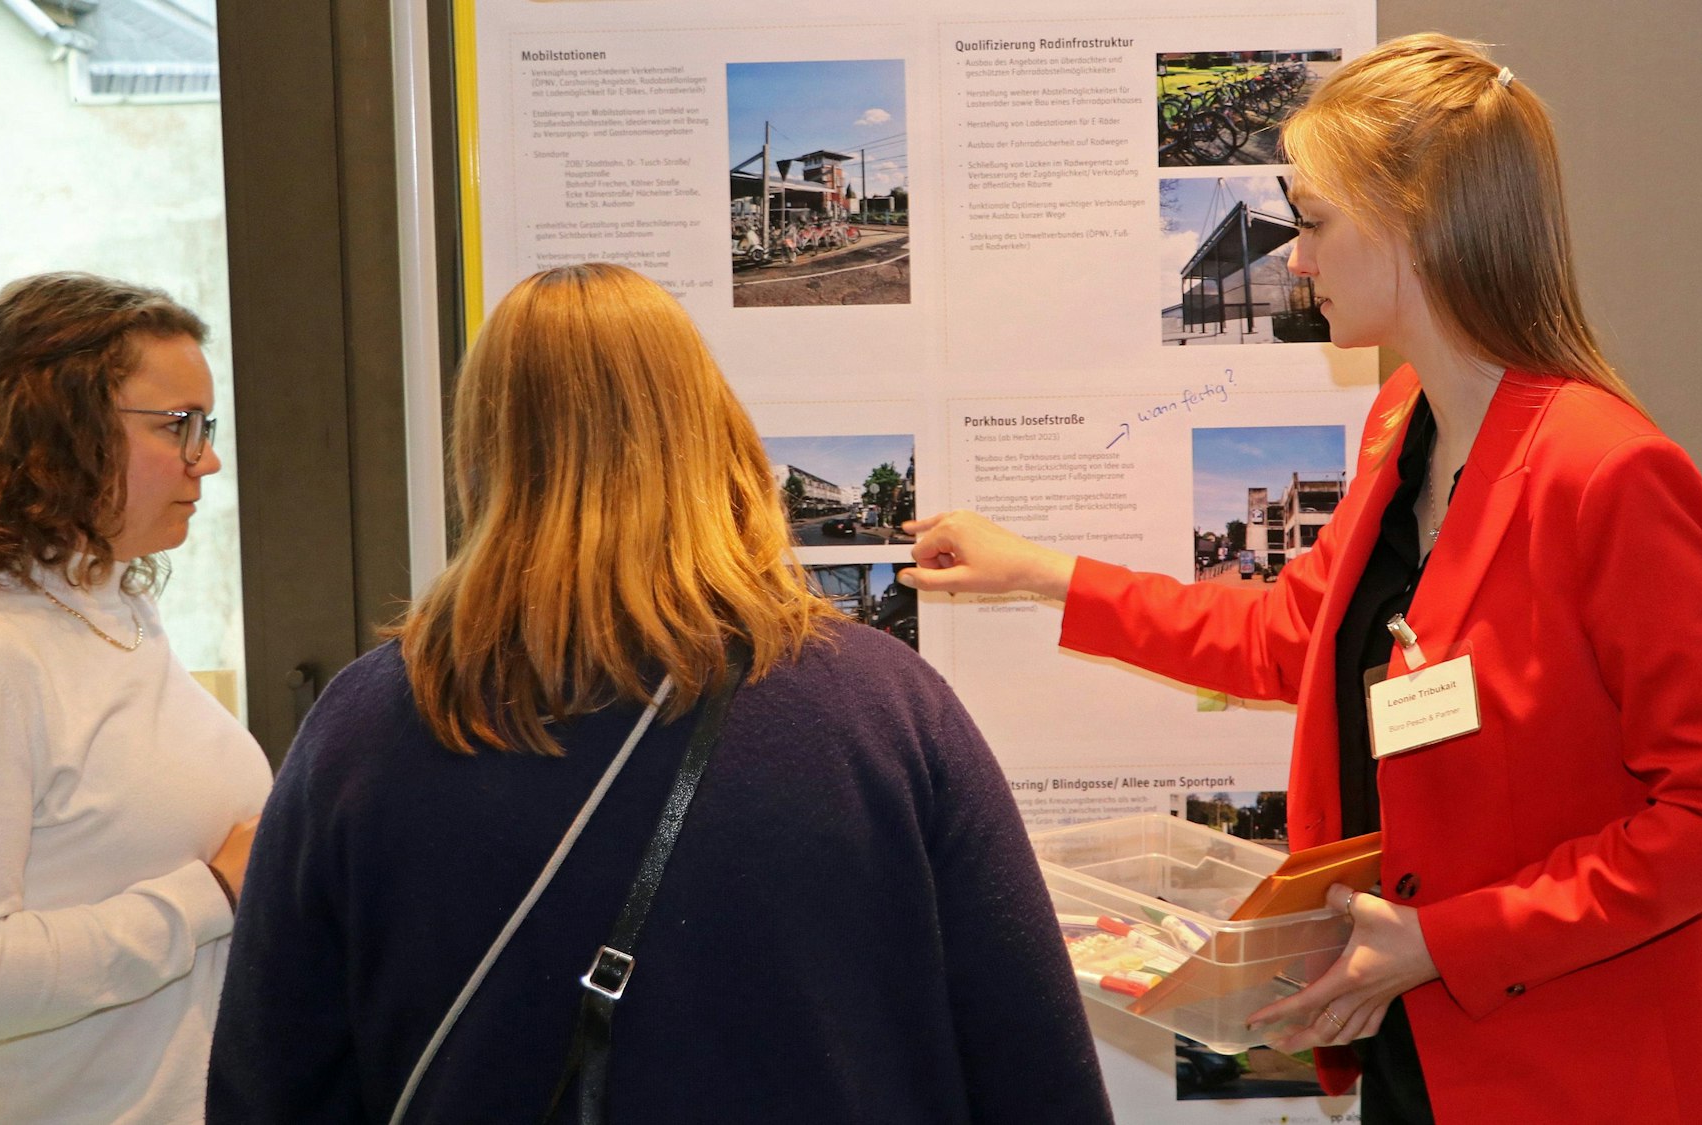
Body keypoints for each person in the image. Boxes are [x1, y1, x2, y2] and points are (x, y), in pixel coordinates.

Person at [899, 34, 1702, 1125]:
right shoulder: (1396, 429)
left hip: (1577, 1073)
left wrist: (1444, 940)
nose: (1297, 261)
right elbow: (1284, 638)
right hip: (1415, 1050)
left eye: (1313, 223)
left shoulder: (1606, 474)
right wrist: (1041, 575)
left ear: (1418, 221)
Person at [205, 263, 1113, 1124]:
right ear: (712, 430)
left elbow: (273, 1080)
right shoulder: (883, 708)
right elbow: (1033, 1066)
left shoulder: (364, 730)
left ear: (482, 451)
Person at [0, 273, 271, 1122]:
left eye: (205, 426)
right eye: (178, 425)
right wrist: (210, 895)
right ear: (59, 431)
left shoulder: (111, 606)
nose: (207, 457)